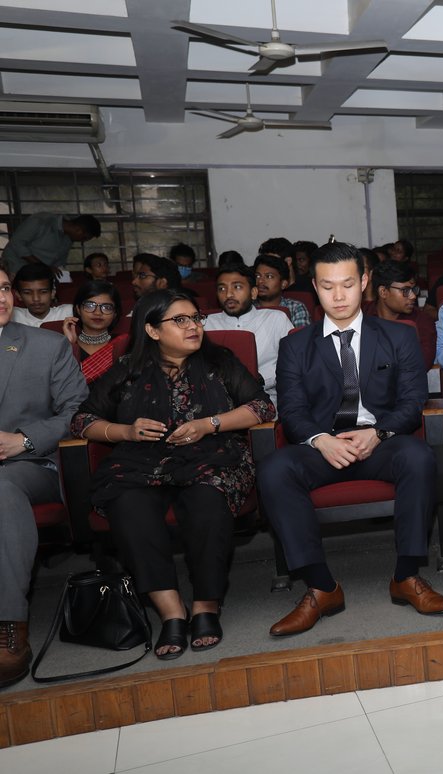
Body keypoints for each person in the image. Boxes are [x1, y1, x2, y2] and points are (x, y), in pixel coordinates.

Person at [260, 242, 443, 638]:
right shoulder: (296, 345)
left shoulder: (399, 335)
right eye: (328, 286)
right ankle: (321, 587)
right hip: (324, 447)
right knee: (276, 469)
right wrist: (319, 440)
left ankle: (407, 576)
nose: (338, 295)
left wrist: (377, 434)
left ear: (364, 282)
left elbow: (413, 400)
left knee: (418, 458)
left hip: (380, 442)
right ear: (314, 287)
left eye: (347, 284)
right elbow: (292, 410)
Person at [72, 289, 275, 659]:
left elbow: (262, 407)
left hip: (212, 455)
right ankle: (171, 613)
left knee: (207, 500)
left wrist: (209, 424)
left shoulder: (219, 360)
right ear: (151, 330)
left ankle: (205, 607)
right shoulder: (127, 369)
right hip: (141, 460)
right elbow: (83, 419)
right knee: (128, 503)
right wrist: (126, 431)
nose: (194, 326)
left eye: (196, 318)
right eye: (179, 320)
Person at [0, 266, 89, 688]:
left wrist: (24, 440)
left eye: (2, 288)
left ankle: (8, 625)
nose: (1, 298)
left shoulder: (46, 345)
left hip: (28, 466)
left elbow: (77, 412)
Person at [201, 264, 293, 402]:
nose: (228, 294)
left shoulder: (275, 318)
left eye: (237, 287)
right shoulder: (206, 324)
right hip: (218, 402)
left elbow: (294, 363)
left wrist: (264, 378)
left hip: (268, 399)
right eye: (222, 288)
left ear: (253, 292)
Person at [371, 260, 436, 370]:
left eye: (414, 290)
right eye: (405, 290)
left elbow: (422, 363)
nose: (413, 296)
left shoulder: (422, 321)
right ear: (383, 292)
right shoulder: (363, 317)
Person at [62, 280, 123, 383]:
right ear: (78, 309)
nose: (98, 312)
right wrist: (70, 345)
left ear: (115, 313)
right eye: (90, 306)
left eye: (106, 307)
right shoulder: (62, 346)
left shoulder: (124, 344)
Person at [2, 213, 101, 275]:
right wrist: (44, 267)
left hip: (38, 273)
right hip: (15, 267)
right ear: (78, 230)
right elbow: (17, 243)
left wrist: (60, 273)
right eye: (84, 238)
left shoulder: (68, 239)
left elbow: (59, 262)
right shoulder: (41, 221)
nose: (82, 241)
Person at [254, 254, 310, 328]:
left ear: (283, 284)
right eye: (257, 276)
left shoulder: (295, 308)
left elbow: (302, 338)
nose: (260, 281)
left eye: (269, 276)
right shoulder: (247, 307)